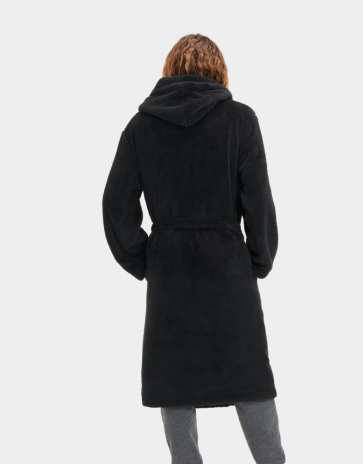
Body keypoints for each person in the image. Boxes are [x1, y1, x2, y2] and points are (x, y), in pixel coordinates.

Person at [102, 33, 285, 464]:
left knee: (175, 385)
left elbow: (114, 206)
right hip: (229, 271)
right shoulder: (240, 121)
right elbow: (258, 200)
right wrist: (259, 258)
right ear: (219, 70)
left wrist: (146, 260)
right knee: (250, 378)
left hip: (171, 275)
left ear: (170, 69)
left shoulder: (141, 126)